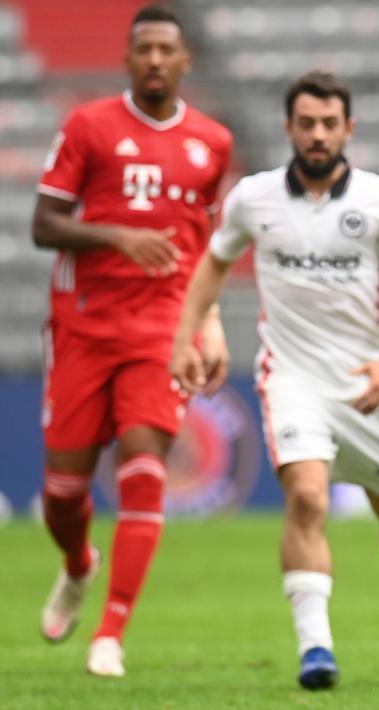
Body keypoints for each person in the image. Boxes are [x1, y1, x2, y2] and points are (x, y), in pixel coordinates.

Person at [169, 71, 379, 690]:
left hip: (365, 380)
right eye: (306, 123)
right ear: (289, 129)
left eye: (329, 123)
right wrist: (186, 336)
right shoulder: (253, 198)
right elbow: (212, 266)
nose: (318, 134)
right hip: (291, 377)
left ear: (348, 128)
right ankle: (316, 648)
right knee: (306, 497)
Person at [32, 4, 233, 677]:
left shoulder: (212, 142)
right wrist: (117, 235)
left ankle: (111, 632)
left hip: (161, 328)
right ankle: (78, 563)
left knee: (145, 466)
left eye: (164, 50)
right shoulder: (88, 125)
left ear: (184, 61)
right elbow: (44, 224)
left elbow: (210, 246)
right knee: (63, 492)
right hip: (83, 324)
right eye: (142, 49)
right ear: (128, 58)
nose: (153, 60)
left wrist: (209, 324)